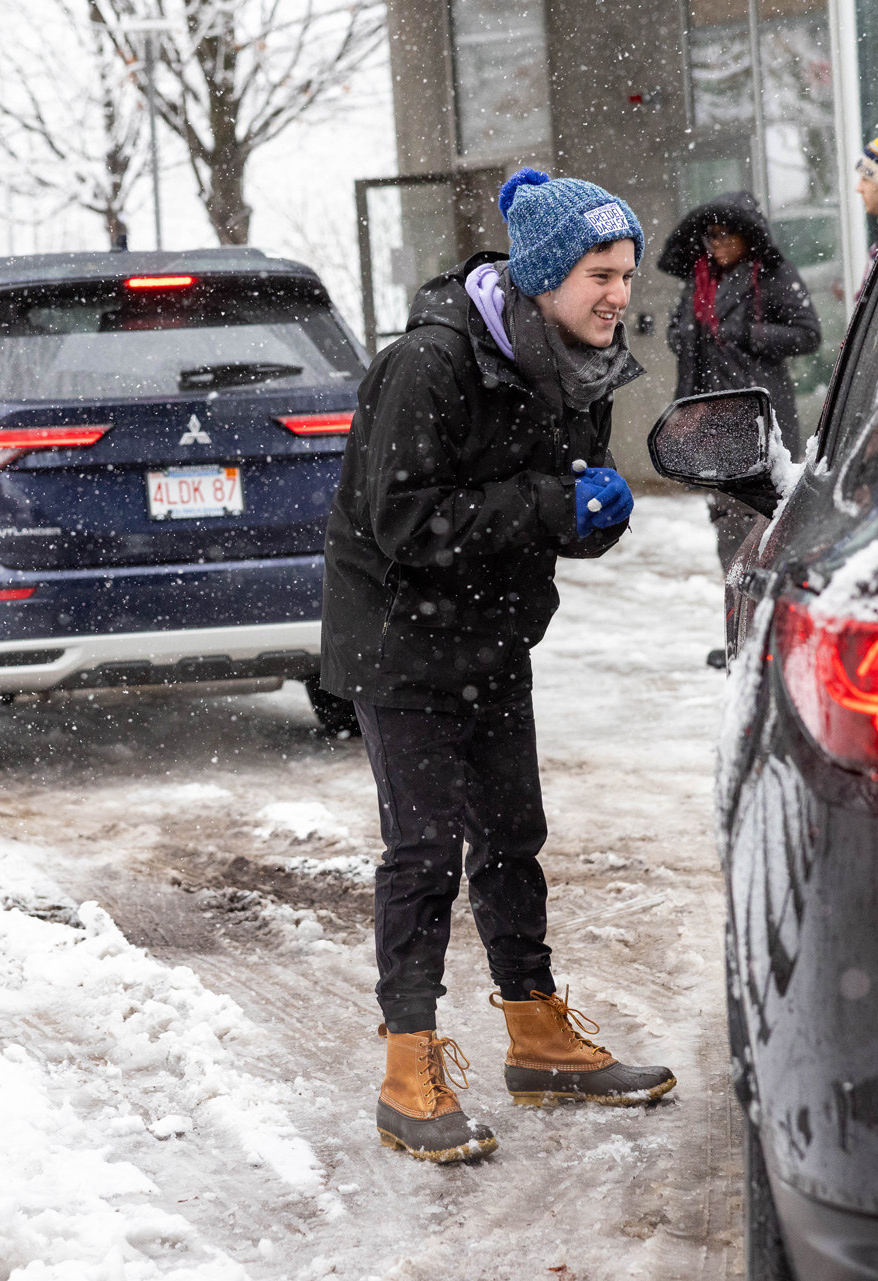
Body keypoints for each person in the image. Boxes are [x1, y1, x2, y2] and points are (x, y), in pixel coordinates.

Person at [321, 167, 676, 1165]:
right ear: (547, 274)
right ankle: (408, 1067)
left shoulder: (574, 365)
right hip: (402, 642)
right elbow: (401, 520)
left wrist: (591, 518)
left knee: (513, 836)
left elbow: (552, 504)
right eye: (601, 274)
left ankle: (536, 1034)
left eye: (626, 274)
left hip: (491, 635)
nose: (619, 295)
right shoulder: (432, 365)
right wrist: (547, 506)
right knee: (424, 853)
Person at [659, 192, 823, 570]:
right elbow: (678, 331)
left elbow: (807, 333)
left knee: (761, 513)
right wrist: (685, 337)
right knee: (724, 514)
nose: (716, 244)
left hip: (757, 417)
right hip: (709, 415)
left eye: (725, 235)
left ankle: (759, 596)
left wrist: (747, 334)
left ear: (747, 237)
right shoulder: (700, 279)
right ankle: (738, 596)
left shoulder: (771, 273)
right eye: (710, 236)